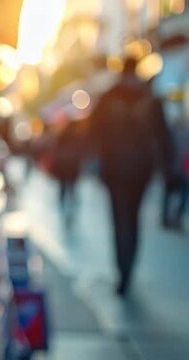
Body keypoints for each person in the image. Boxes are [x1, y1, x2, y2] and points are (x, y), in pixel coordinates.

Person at [90, 56, 173, 296]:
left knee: (119, 219)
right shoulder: (150, 98)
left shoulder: (108, 97)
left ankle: (122, 268)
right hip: (141, 168)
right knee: (133, 219)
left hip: (115, 167)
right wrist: (167, 167)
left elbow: (94, 131)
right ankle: (128, 268)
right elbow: (163, 135)